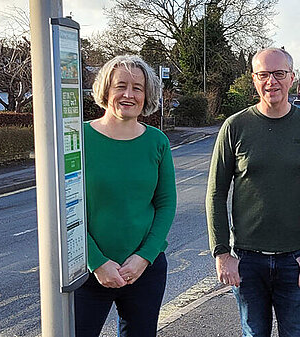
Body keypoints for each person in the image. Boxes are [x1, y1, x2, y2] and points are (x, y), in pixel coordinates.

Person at [206, 47, 300, 337]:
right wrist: (222, 253)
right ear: (254, 79)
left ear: (291, 78)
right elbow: (215, 193)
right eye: (263, 75)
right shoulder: (234, 127)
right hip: (248, 261)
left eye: (279, 74)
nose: (271, 82)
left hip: (296, 260)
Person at [75, 55, 177, 337]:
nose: (129, 94)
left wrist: (144, 258)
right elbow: (65, 208)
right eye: (121, 86)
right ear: (106, 90)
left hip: (144, 270)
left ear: (147, 95)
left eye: (138, 88)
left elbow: (166, 204)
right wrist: (97, 261)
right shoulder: (78, 139)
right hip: (86, 271)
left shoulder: (157, 141)